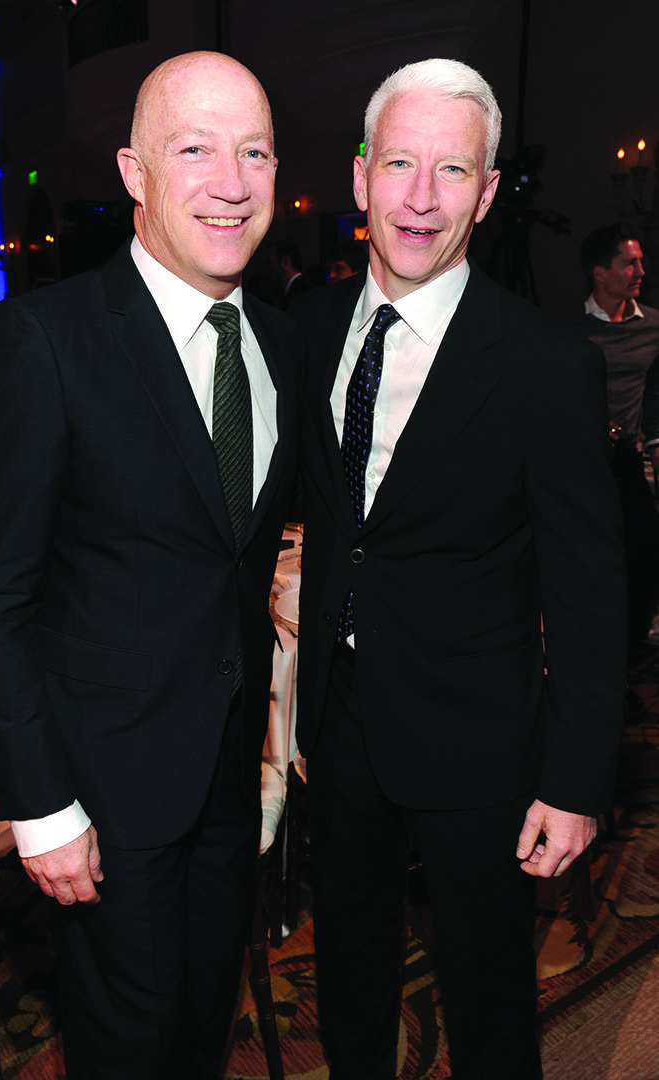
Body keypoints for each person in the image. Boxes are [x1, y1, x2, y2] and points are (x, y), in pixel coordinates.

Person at [0, 51, 301, 1080]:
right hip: (100, 799)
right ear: (134, 172)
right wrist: (39, 806)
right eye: (194, 150)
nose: (230, 182)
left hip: (229, 783)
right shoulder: (43, 341)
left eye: (253, 152)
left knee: (200, 1033)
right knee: (123, 1053)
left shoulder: (278, 343)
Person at [291, 58, 626, 1080]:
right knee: (347, 973)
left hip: (478, 742)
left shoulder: (544, 363)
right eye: (399, 163)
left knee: (487, 999)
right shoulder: (308, 328)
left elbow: (588, 591)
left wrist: (573, 779)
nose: (421, 198)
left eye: (452, 171)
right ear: (360, 177)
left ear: (484, 193)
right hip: (336, 724)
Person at [571, 223, 659, 660]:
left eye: (640, 261)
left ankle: (633, 649)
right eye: (629, 263)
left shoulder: (653, 326)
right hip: (584, 462)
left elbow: (655, 391)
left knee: (643, 554)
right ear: (600, 273)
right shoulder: (571, 328)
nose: (641, 270)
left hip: (628, 458)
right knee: (590, 560)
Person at [266, 239, 315, 308]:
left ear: (285, 262)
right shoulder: (301, 289)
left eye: (270, 263)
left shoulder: (300, 293)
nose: (267, 270)